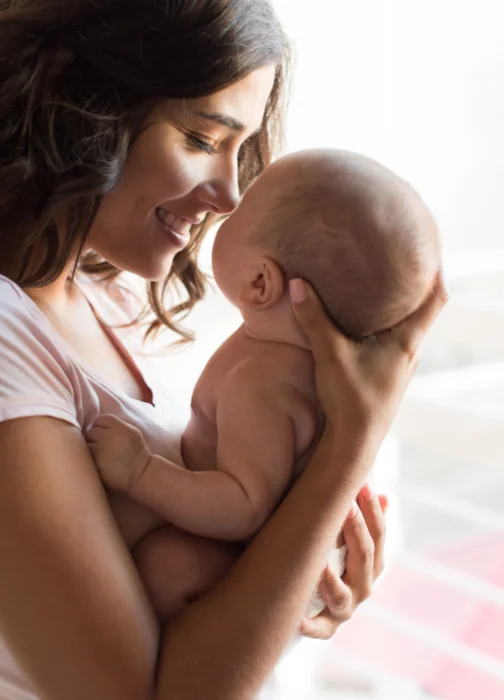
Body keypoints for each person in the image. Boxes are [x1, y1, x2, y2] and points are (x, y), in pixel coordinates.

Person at [0, 1, 447, 699]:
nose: (228, 195)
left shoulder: (104, 296)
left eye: (239, 148)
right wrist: (349, 447)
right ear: (78, 106)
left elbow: (210, 612)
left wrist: (300, 582)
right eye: (200, 138)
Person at [87, 148, 442, 623]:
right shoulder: (288, 357)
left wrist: (139, 471)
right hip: (282, 560)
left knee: (167, 567)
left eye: (245, 204)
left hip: (256, 562)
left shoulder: (263, 383)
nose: (228, 203)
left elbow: (242, 507)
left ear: (260, 282)